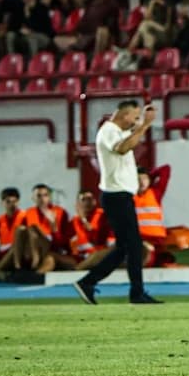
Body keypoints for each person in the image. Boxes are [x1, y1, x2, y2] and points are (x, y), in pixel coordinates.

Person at [74, 100, 161, 304]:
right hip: (117, 196)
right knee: (133, 245)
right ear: (124, 116)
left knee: (125, 247)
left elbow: (128, 140)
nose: (136, 120)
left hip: (120, 196)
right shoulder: (109, 131)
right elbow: (122, 149)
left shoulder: (117, 131)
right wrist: (146, 126)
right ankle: (135, 292)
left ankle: (89, 282)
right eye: (134, 116)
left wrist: (142, 124)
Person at [14, 183, 72, 273]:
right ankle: (17, 266)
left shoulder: (60, 212)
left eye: (45, 195)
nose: (42, 199)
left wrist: (53, 226)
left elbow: (63, 241)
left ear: (49, 197)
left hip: (52, 247)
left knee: (34, 228)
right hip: (31, 248)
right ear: (33, 198)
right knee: (20, 230)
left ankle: (35, 262)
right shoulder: (28, 213)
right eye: (38, 196)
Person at [68, 190, 114, 270]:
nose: (87, 202)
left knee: (96, 256)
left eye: (89, 199)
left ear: (94, 201)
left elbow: (97, 241)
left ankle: (76, 272)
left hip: (101, 256)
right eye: (83, 200)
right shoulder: (73, 221)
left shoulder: (103, 216)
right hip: (81, 258)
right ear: (78, 204)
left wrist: (83, 220)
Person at [135, 166, 170, 267]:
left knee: (158, 261)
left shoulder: (155, 193)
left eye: (144, 179)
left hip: (157, 240)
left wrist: (151, 175)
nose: (142, 182)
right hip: (139, 239)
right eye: (138, 179)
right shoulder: (129, 196)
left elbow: (166, 169)